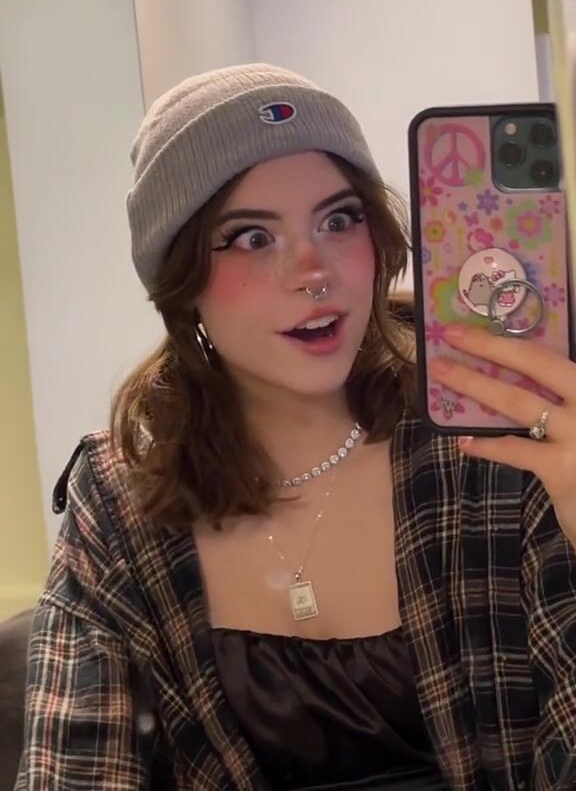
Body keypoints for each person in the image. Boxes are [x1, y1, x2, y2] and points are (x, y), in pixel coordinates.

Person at [15, 64, 576, 791]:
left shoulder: (493, 450)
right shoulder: (123, 502)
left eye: (339, 220)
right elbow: (75, 765)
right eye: (252, 237)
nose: (314, 271)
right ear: (180, 282)